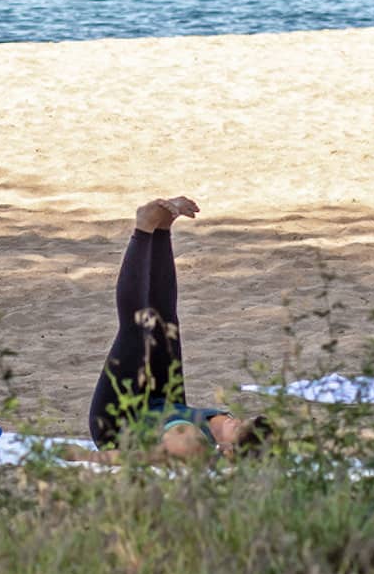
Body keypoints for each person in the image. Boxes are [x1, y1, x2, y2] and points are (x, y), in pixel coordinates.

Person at [87, 194, 270, 461]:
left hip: (117, 420)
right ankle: (161, 230)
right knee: (165, 322)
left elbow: (142, 457)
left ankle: (144, 229)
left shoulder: (193, 444)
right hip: (162, 402)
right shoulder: (223, 425)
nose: (240, 422)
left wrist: (84, 457)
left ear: (229, 453)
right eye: (247, 422)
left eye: (242, 432)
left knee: (138, 329)